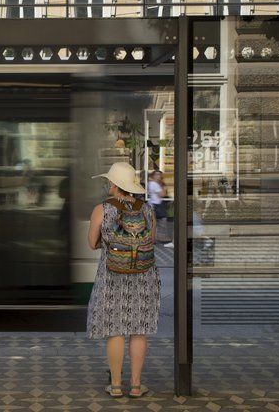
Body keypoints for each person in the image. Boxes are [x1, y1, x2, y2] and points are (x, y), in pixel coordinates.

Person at [86, 162, 161, 399]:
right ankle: (137, 386)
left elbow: (91, 243)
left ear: (114, 184)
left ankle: (116, 386)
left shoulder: (102, 209)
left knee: (115, 329)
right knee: (138, 331)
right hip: (144, 275)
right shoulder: (147, 209)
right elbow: (150, 239)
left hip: (112, 274)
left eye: (109, 181)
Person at [148, 170, 173, 248]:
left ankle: (156, 238)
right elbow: (162, 194)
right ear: (153, 176)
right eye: (157, 174)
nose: (159, 176)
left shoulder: (153, 184)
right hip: (156, 205)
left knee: (156, 222)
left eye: (160, 175)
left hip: (156, 204)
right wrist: (163, 186)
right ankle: (158, 238)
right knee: (161, 221)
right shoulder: (154, 184)